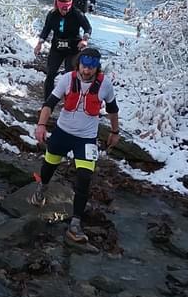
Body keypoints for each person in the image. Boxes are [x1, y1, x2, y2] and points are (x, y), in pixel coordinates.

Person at [30, 47, 120, 243]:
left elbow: (113, 110)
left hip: (86, 138)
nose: (87, 71)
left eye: (91, 68)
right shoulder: (67, 79)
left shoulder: (105, 84)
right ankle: (42, 188)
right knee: (48, 167)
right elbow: (49, 103)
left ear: (97, 68)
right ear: (78, 64)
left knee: (85, 178)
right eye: (84, 67)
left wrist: (115, 132)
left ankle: (75, 224)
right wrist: (41, 125)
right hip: (63, 133)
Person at [34, 0, 92, 102]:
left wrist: (85, 40)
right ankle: (47, 104)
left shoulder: (77, 13)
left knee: (70, 75)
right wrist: (39, 43)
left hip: (73, 49)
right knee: (50, 74)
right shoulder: (52, 14)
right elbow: (46, 29)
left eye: (67, 8)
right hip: (57, 48)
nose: (65, 11)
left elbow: (88, 28)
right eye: (62, 9)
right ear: (57, 5)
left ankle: (70, 103)